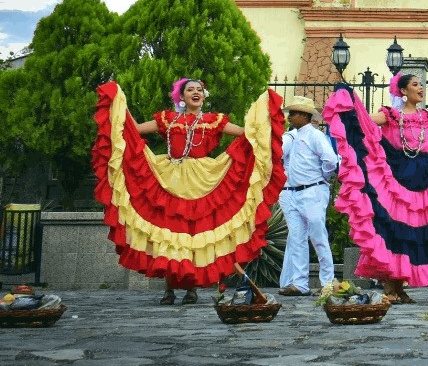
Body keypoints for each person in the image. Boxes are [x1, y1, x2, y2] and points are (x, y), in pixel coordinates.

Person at [91, 78, 285, 305]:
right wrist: (119, 105)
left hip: (204, 178)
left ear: (204, 95)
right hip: (170, 178)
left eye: (199, 90)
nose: (195, 92)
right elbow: (132, 130)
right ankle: (169, 289)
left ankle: (191, 289)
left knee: (195, 233)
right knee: (171, 232)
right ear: (181, 97)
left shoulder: (214, 121)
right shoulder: (168, 119)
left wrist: (262, 119)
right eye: (190, 90)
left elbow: (246, 134)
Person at [321, 72, 428, 304]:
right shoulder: (390, 115)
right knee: (393, 228)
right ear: (403, 91)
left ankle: (400, 287)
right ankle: (391, 285)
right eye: (415, 85)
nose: (421, 88)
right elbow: (365, 123)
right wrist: (350, 101)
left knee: (415, 229)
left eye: (422, 85)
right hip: (395, 173)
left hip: (424, 172)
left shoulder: (427, 116)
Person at [277, 95, 339, 296]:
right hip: (292, 191)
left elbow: (330, 160)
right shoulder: (290, 136)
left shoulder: (315, 135)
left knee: (318, 236)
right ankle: (300, 283)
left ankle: (328, 282)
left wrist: (322, 176)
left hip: (312, 190)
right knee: (297, 238)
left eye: (293, 113)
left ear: (304, 116)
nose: (290, 117)